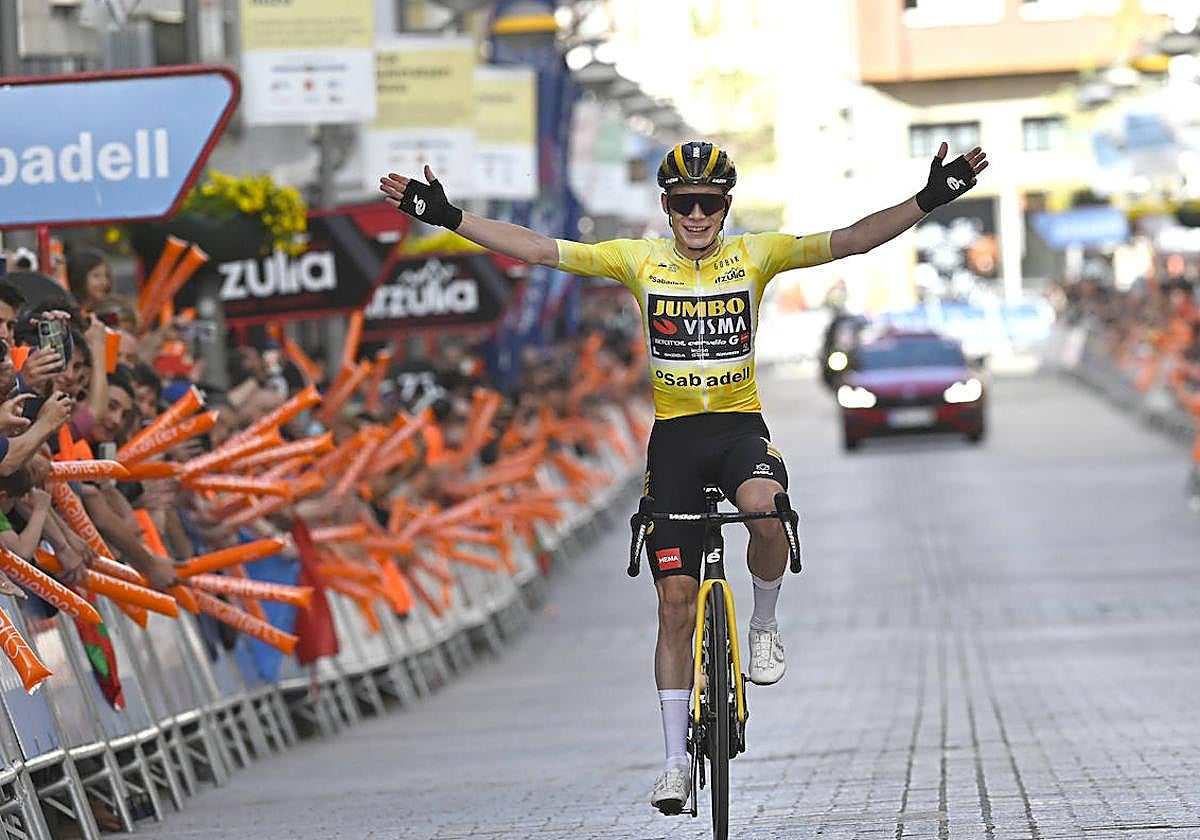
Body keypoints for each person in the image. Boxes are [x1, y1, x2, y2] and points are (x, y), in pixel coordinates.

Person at [389, 137, 988, 812]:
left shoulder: (756, 255)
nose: (696, 215)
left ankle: (762, 622)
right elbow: (537, 249)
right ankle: (675, 761)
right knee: (674, 602)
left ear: (726, 206)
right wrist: (450, 217)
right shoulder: (636, 260)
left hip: (738, 429)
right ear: (667, 208)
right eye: (683, 204)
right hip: (674, 439)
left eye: (708, 203)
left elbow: (850, 240)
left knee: (767, 511)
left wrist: (931, 199)